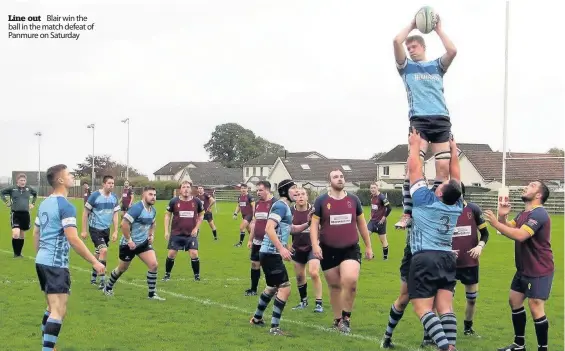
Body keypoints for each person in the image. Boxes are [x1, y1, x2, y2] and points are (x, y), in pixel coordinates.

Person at [392, 14, 458, 230]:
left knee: (442, 168)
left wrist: (438, 29)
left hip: (441, 120)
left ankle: (436, 206)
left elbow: (452, 51)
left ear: (423, 47)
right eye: (408, 47)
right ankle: (408, 213)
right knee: (413, 166)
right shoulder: (406, 68)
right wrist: (412, 24)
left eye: (414, 46)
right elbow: (395, 41)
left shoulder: (437, 66)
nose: (410, 49)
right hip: (419, 121)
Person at [33, 164, 104, 351]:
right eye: (69, 174)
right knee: (58, 311)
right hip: (55, 264)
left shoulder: (44, 203)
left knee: (51, 308)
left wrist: (40, 255)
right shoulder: (65, 205)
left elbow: (36, 233)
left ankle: (49, 346)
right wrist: (95, 261)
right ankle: (47, 349)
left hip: (42, 260)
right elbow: (73, 238)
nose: (73, 176)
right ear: (61, 180)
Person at [406, 128, 462, 351]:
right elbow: (455, 178)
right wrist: (453, 153)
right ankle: (452, 345)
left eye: (441, 185)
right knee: (446, 308)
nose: (440, 183)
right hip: (448, 258)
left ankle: (445, 347)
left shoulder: (425, 199)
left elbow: (414, 169)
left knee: (422, 309)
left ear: (439, 193)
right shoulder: (457, 205)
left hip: (425, 258)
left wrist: (414, 145)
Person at [484, 181, 553, 351]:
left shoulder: (540, 214)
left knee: (536, 306)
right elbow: (509, 228)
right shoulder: (524, 213)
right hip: (523, 269)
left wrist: (495, 223)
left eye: (532, 185)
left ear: (539, 195)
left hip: (539, 269)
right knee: (514, 301)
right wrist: (502, 217)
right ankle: (519, 345)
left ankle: (542, 349)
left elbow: (521, 235)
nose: (526, 187)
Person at [310, 169, 373, 334]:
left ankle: (346, 318)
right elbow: (314, 225)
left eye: (341, 176)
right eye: (335, 177)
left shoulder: (353, 200)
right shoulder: (321, 201)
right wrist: (315, 246)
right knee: (335, 287)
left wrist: (368, 246)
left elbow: (362, 224)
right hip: (328, 249)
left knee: (350, 281)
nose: (339, 179)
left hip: (350, 248)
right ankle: (337, 319)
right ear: (329, 181)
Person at [249, 179, 309, 335]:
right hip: (271, 253)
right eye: (294, 189)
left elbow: (292, 229)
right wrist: (282, 248)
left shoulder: (285, 207)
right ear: (285, 191)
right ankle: (274, 328)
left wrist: (308, 223)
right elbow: (269, 228)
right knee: (285, 288)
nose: (297, 192)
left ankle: (257, 318)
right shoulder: (281, 206)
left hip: (268, 253)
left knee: (272, 287)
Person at [103, 186, 165, 300]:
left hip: (143, 244)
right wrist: (129, 240)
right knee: (121, 269)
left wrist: (151, 235)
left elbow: (153, 223)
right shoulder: (137, 208)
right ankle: (108, 287)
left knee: (153, 265)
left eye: (155, 195)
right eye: (150, 194)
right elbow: (124, 224)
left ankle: (152, 295)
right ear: (144, 195)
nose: (153, 197)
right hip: (128, 245)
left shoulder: (153, 210)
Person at [452, 182, 490, 336]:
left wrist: (480, 246)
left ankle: (468, 327)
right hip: (449, 263)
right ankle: (448, 329)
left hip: (470, 262)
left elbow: (486, 233)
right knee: (446, 299)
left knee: (472, 299)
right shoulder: (444, 210)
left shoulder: (473, 209)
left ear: (462, 192)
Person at [81, 175, 120, 289]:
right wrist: (84, 230)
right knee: (103, 250)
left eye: (112, 183)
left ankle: (93, 277)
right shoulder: (95, 196)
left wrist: (115, 231)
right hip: (95, 228)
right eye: (109, 183)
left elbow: (115, 214)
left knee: (98, 253)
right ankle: (103, 282)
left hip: (106, 229)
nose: (111, 185)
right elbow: (85, 213)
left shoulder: (114, 197)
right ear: (103, 184)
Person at [163, 181, 204, 282]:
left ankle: (197, 276)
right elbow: (167, 215)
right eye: (183, 187)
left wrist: (196, 228)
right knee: (171, 254)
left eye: (188, 187)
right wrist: (166, 231)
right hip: (176, 233)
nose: (186, 189)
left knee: (194, 253)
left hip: (191, 234)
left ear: (191, 189)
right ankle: (167, 275)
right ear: (180, 190)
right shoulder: (174, 201)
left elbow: (201, 215)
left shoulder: (197, 201)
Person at [290, 188, 323, 313]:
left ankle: (319, 303)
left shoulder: (315, 210)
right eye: (297, 195)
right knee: (299, 276)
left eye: (303, 194)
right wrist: (287, 245)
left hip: (313, 247)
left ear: (307, 196)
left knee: (313, 272)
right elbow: (284, 229)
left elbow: (323, 227)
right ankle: (303, 301)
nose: (300, 197)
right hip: (297, 247)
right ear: (294, 198)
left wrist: (319, 244)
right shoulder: (290, 211)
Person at [245, 181, 276, 296]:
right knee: (254, 264)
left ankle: (274, 289)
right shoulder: (257, 204)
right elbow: (254, 222)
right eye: (257, 190)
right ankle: (253, 289)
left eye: (260, 190)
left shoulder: (275, 204)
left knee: (270, 266)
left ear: (268, 190)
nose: (258, 192)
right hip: (257, 240)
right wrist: (250, 239)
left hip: (270, 241)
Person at [1, 173, 38, 258]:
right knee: (15, 233)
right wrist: (6, 202)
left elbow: (35, 194)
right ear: (17, 181)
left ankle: (19, 254)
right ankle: (16, 253)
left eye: (24, 180)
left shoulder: (28, 189)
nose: (23, 182)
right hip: (15, 213)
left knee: (22, 234)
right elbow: (1, 192)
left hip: (25, 214)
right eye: (21, 180)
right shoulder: (12, 188)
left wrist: (33, 203)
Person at [367, 182, 392, 260]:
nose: (373, 189)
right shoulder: (372, 197)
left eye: (374, 188)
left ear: (377, 188)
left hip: (380, 222)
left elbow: (389, 208)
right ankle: (371, 254)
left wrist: (384, 217)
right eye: (371, 188)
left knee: (383, 240)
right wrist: (371, 216)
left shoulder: (382, 197)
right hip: (372, 221)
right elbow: (374, 208)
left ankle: (385, 257)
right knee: (366, 236)